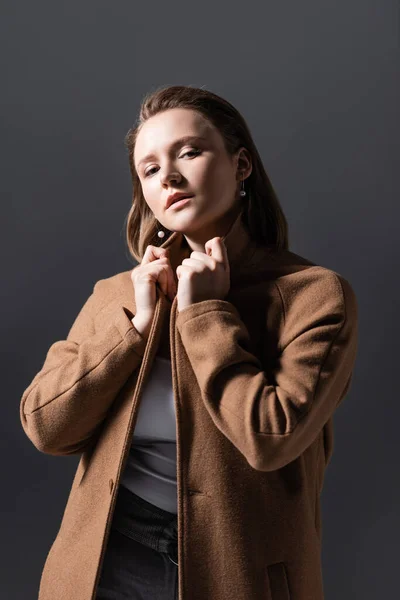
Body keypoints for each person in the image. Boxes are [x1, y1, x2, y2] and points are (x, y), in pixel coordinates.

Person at [20, 85, 359, 600]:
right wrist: (134, 330)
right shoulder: (119, 293)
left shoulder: (313, 295)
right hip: (109, 557)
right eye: (150, 169)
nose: (169, 176)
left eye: (189, 152)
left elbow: (270, 438)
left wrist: (205, 314)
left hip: (240, 569)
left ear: (241, 164)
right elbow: (46, 426)